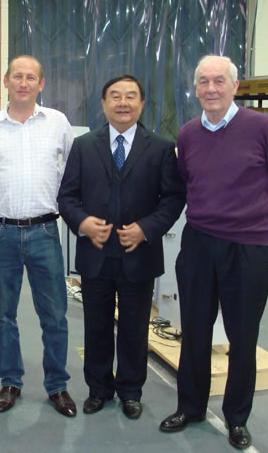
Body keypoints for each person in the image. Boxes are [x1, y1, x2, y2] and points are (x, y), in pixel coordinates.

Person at [159, 55, 268, 450]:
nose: (211, 89)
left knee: (242, 337)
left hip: (248, 249)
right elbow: (188, 182)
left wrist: (260, 223)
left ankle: (237, 418)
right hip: (199, 245)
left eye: (219, 80)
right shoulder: (188, 134)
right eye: (203, 81)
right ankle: (190, 407)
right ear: (195, 88)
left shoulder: (262, 128)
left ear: (235, 86)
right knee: (194, 331)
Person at [58, 76, 185, 418]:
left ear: (142, 104)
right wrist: (83, 223)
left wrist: (146, 229)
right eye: (115, 96)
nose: (123, 103)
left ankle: (131, 391)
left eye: (131, 96)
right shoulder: (84, 146)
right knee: (96, 326)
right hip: (95, 254)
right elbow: (66, 197)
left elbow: (173, 199)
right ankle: (98, 389)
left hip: (138, 254)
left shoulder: (160, 148)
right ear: (103, 104)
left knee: (134, 327)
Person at [0, 55, 77, 417]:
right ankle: (10, 381)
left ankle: (57, 385)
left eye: (31, 77)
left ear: (41, 84)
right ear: (5, 81)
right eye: (17, 76)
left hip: (45, 231)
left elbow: (75, 171)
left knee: (55, 315)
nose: (23, 82)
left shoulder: (58, 123)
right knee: (4, 315)